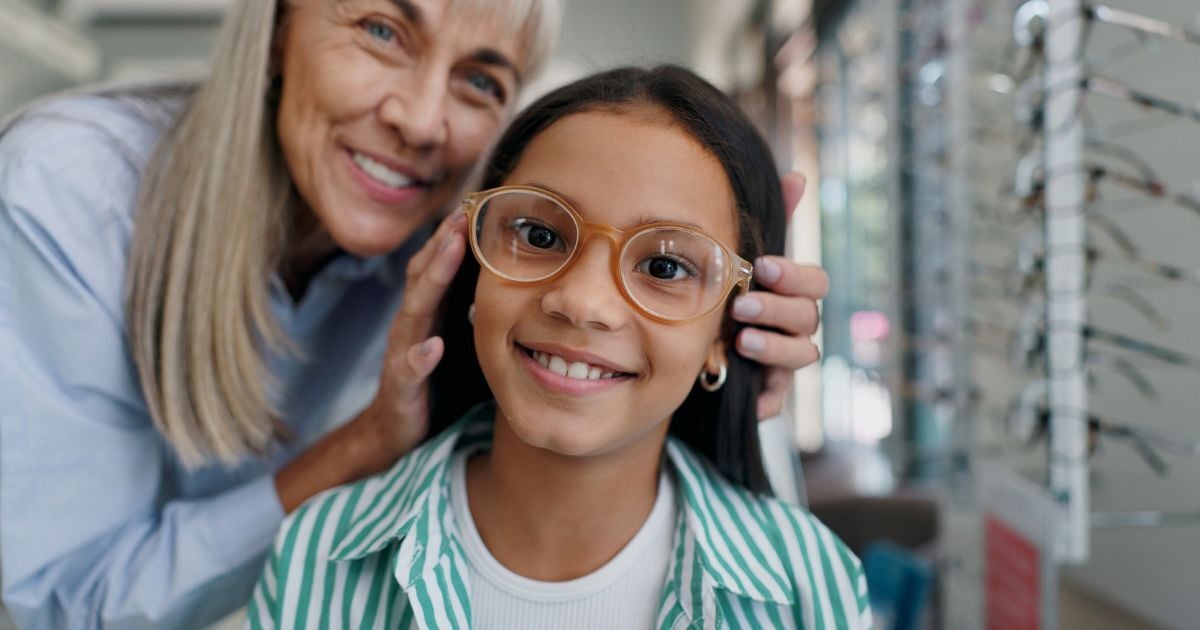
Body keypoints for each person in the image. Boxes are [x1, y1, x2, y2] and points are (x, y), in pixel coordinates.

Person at [0, 1, 828, 628]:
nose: (422, 121)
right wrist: (363, 446)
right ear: (281, 26)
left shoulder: (464, 212)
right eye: (383, 31)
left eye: (479, 79)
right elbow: (55, 603)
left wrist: (722, 328)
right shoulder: (68, 195)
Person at [246, 65, 869, 630]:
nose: (582, 302)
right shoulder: (318, 553)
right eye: (540, 233)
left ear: (725, 334)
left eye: (666, 266)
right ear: (472, 268)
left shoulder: (807, 584)